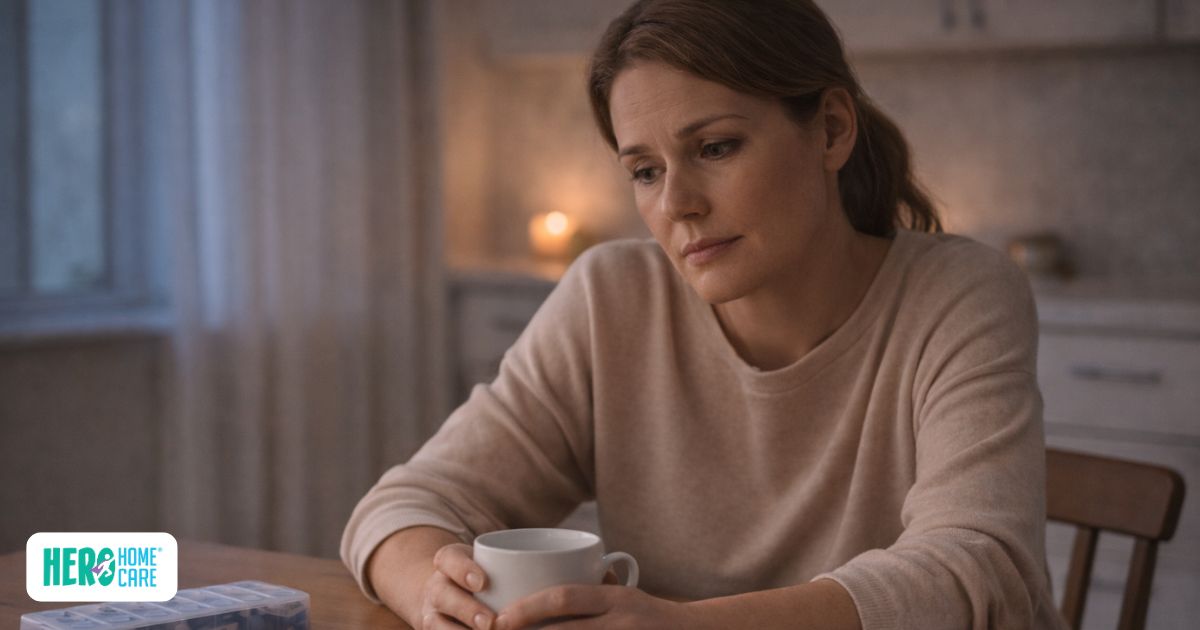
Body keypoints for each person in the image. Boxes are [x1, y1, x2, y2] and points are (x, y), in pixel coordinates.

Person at [341, 1, 1068, 629]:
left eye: (715, 148)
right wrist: (436, 594)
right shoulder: (611, 298)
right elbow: (404, 505)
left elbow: (982, 569)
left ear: (831, 129)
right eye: (645, 171)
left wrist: (686, 625)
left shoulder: (959, 295)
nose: (676, 204)